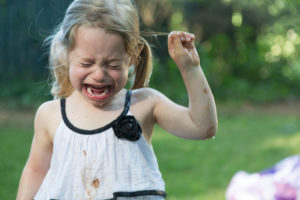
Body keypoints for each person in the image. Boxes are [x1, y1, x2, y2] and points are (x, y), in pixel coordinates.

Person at [16, 0, 218, 199]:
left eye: (112, 64)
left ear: (131, 58)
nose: (98, 74)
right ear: (66, 55)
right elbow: (35, 171)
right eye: (86, 63)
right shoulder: (50, 115)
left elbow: (202, 127)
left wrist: (190, 68)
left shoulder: (145, 104)